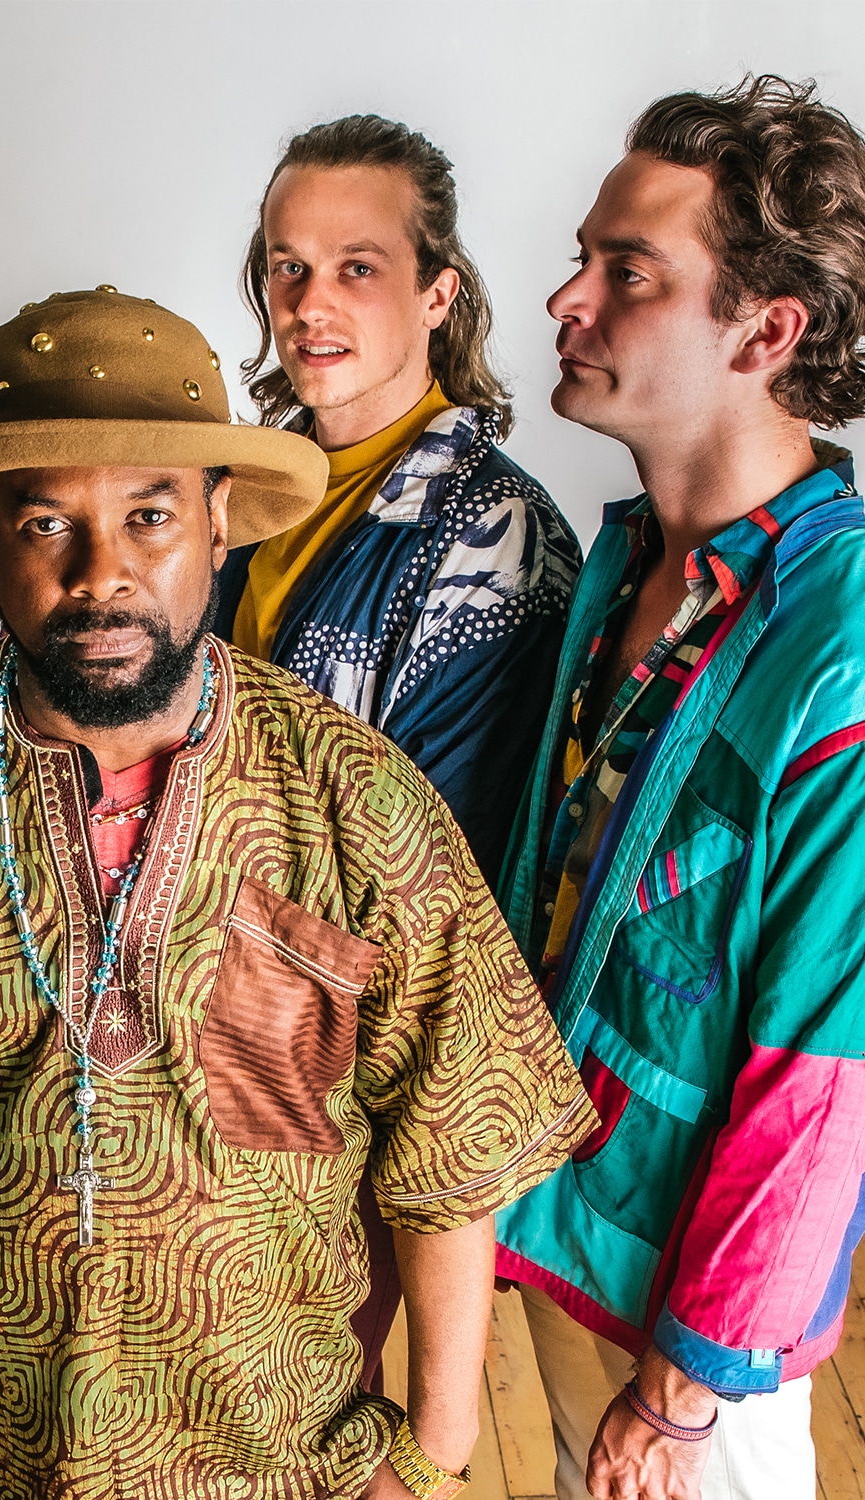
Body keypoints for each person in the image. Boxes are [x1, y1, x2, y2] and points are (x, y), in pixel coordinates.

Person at [0, 287, 594, 1500]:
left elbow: (451, 1153)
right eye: (45, 522)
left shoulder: (353, 803)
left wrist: (430, 1453)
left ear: (220, 522)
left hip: (274, 1468)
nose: (100, 571)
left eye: (149, 516)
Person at [492, 76, 865, 1500]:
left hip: (702, 1344)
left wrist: (698, 1386)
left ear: (769, 332)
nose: (566, 300)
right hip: (572, 1233)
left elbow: (830, 1069)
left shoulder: (842, 640)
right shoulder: (623, 564)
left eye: (626, 273)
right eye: (585, 257)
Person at [217, 115, 581, 889]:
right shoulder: (246, 494)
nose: (310, 305)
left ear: (435, 295)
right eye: (290, 267)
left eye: (357, 269)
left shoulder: (500, 536)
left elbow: (438, 869)